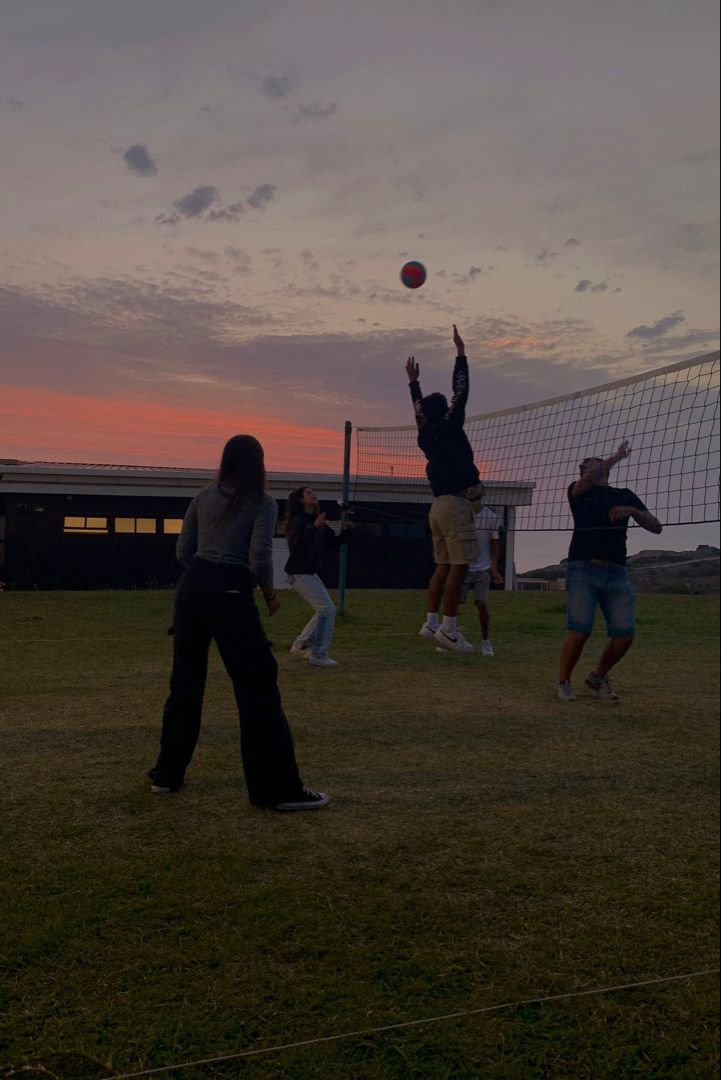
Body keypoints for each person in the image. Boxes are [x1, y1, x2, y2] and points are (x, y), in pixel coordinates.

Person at [148, 435, 329, 810]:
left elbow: (183, 551)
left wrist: (203, 578)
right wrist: (268, 594)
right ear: (258, 464)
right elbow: (260, 555)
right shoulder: (261, 502)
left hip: (190, 588)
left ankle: (166, 775)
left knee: (185, 684)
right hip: (230, 589)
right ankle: (277, 790)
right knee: (258, 686)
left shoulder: (203, 495)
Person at [556, 439, 662, 703]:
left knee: (625, 634)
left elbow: (656, 526)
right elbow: (591, 476)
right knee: (580, 630)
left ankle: (598, 675)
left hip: (616, 572)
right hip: (582, 569)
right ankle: (563, 682)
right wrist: (617, 456)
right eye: (583, 466)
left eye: (589, 462)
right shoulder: (577, 491)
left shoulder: (624, 495)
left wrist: (633, 511)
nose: (586, 466)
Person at [406, 323, 480, 653]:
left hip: (436, 507)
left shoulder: (425, 434)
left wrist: (413, 383)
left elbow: (419, 411)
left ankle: (431, 622)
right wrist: (461, 355)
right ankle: (449, 630)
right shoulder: (450, 426)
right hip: (453, 504)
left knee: (443, 566)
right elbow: (460, 393)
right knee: (460, 567)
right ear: (446, 412)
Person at [284, 485, 352, 668]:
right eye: (308, 493)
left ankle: (300, 645)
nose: (313, 494)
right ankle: (318, 654)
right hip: (298, 573)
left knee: (324, 610)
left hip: (309, 573)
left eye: (313, 492)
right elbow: (296, 545)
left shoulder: (317, 520)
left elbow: (333, 542)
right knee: (327, 610)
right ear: (300, 500)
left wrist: (347, 531)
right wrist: (314, 527)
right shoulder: (298, 521)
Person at [464, 484, 504, 656]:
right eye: (470, 498)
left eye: (475, 498)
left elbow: (494, 546)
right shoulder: (461, 514)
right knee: (453, 602)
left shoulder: (491, 517)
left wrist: (494, 570)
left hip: (482, 567)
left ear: (482, 497)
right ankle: (448, 634)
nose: (472, 502)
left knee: (482, 603)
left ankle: (486, 641)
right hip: (463, 566)